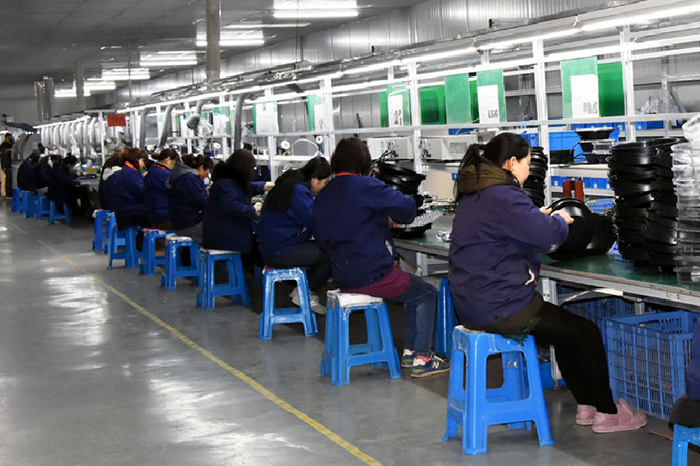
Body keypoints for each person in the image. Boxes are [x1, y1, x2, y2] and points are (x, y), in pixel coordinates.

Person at [448, 132, 648, 433]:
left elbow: (504, 231)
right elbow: (548, 235)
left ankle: (586, 406)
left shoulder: (476, 192)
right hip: (501, 306)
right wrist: (558, 222)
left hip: (473, 302)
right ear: (511, 162)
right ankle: (608, 412)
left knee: (565, 332)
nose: (528, 170)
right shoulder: (503, 195)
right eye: (527, 163)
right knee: (586, 333)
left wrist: (535, 218)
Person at [313, 137, 449, 378]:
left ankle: (410, 352)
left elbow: (328, 234)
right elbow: (407, 210)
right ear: (364, 162)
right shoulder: (367, 186)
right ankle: (423, 358)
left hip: (342, 274)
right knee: (426, 293)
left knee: (411, 288)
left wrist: (378, 217)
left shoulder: (325, 194)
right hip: (372, 273)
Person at [257, 156, 331, 311]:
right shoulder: (299, 191)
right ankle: (306, 293)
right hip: (281, 250)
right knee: (331, 252)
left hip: (274, 246)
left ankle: (304, 289)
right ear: (314, 180)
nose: (324, 187)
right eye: (324, 183)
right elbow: (314, 221)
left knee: (324, 247)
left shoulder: (291, 183)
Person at [202, 149, 272, 270]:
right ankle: (259, 275)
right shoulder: (225, 184)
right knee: (262, 249)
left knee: (259, 246)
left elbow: (246, 187)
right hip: (224, 237)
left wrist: (266, 185)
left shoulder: (227, 179)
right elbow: (232, 206)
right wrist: (253, 209)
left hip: (223, 232)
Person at [167, 154, 213, 243]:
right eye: (208, 171)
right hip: (189, 226)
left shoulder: (184, 177)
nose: (207, 175)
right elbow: (203, 201)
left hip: (181, 223)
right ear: (201, 168)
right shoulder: (190, 179)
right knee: (223, 229)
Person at [110, 148, 149, 229]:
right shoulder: (130, 173)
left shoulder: (127, 170)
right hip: (130, 212)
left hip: (125, 210)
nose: (144, 165)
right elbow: (143, 191)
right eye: (144, 161)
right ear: (138, 160)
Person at [145, 148, 179, 230]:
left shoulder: (152, 171)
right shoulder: (164, 174)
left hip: (153, 213)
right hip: (164, 215)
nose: (173, 168)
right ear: (168, 160)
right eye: (174, 164)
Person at [0, 133, 13, 198]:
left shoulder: (9, 145)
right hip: (6, 165)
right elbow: (4, 153)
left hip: (8, 165)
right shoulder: (4, 145)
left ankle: (9, 193)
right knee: (8, 179)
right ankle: (8, 194)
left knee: (9, 179)